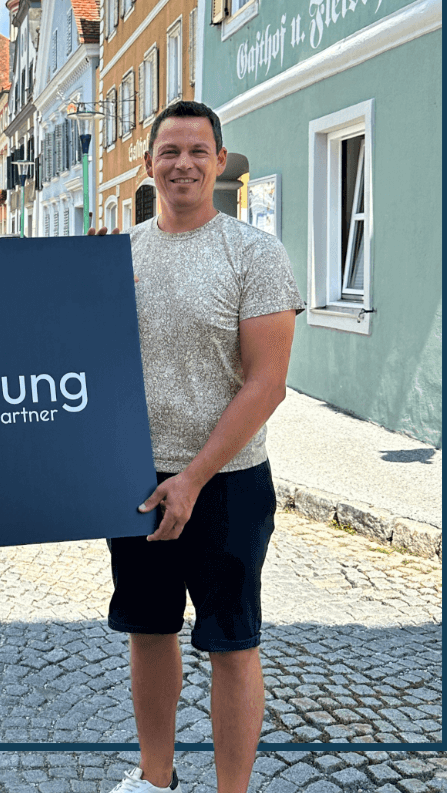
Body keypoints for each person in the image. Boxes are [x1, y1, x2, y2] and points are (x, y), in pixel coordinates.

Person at [105, 99, 304, 793]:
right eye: (170, 151)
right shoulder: (119, 255)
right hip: (135, 480)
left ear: (220, 162)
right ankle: (155, 780)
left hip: (227, 484)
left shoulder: (254, 254)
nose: (183, 163)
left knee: (231, 641)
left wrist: (192, 477)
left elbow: (267, 384)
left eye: (198, 151)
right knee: (149, 631)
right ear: (148, 163)